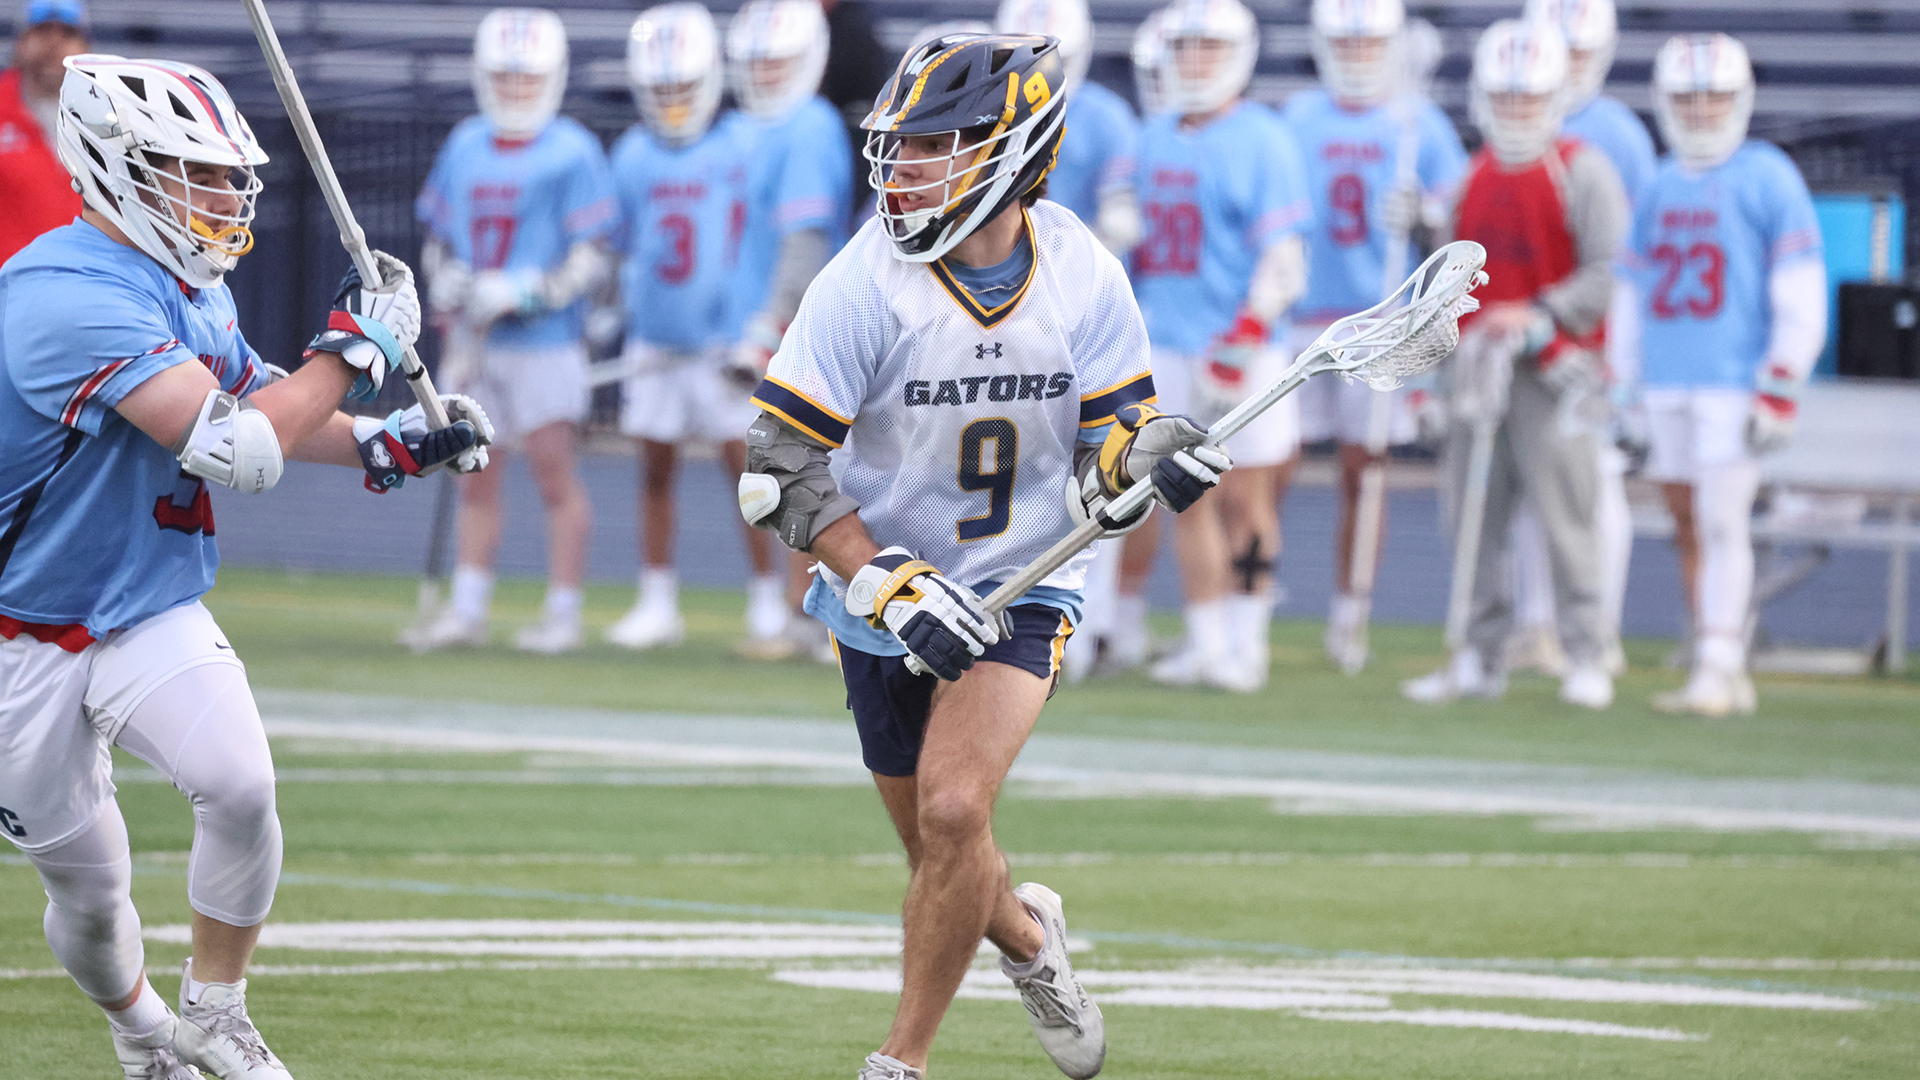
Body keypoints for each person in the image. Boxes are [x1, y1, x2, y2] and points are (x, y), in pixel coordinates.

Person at [736, 33, 1228, 1079]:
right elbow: (779, 466)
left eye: (936, 146)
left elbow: (1115, 442)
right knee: (940, 851)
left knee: (957, 809)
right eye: (901, 145)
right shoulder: (862, 281)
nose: (907, 168)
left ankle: (899, 1062)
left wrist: (1152, 460)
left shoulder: (1082, 271)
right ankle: (1029, 936)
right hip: (882, 589)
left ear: (1017, 153)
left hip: (1024, 578)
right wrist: (885, 580)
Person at [1, 55, 488, 1080]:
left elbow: (256, 395)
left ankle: (216, 1011)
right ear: (117, 167)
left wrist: (384, 442)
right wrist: (354, 351)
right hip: (20, 631)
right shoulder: (59, 294)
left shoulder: (188, 284)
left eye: (232, 175)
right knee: (90, 895)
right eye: (201, 173)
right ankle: (142, 1034)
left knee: (240, 784)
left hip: (143, 602)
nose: (227, 196)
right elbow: (237, 446)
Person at [1401, 18, 1627, 710]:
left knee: (1568, 516)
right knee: (1474, 517)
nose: (1516, 110)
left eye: (1527, 97)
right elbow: (1447, 288)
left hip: (1554, 369)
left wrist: (1539, 315)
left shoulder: (1581, 170)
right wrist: (1432, 375)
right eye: (1505, 97)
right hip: (1479, 369)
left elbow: (1609, 273)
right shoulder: (1472, 177)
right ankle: (1478, 653)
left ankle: (1588, 652)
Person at [1620, 34, 1825, 716]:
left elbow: (1799, 287)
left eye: (1714, 96)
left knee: (1721, 520)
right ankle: (1719, 657)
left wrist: (1782, 377)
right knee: (1685, 522)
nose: (1702, 109)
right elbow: (1631, 291)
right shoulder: (1657, 181)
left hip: (1734, 379)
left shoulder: (1768, 175)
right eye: (1688, 97)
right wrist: (1623, 380)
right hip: (1667, 375)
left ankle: (1717, 661)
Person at [411, 7, 617, 655]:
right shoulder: (466, 143)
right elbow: (441, 239)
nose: (516, 89)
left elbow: (593, 253)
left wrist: (533, 290)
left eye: (528, 78)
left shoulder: (572, 149)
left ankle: (563, 611)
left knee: (554, 474)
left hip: (544, 340)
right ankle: (468, 607)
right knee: (473, 474)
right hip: (476, 337)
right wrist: (445, 279)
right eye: (505, 77)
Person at [1121, 0, 1311, 692]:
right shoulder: (1152, 136)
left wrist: (1247, 333)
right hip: (1167, 339)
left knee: (1247, 496)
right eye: (1186, 49)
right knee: (1183, 497)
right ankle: (1206, 640)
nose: (1196, 62)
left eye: (1209, 49)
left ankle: (1247, 640)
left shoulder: (1263, 138)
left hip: (1240, 346)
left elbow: (1284, 257)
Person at [1286, 0, 1469, 672]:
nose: (1358, 55)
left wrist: (1424, 218)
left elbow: (1458, 235)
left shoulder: (1422, 125)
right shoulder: (1298, 117)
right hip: (1301, 311)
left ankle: (1351, 611)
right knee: (1267, 464)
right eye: (1346, 44)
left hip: (1382, 315)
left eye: (1368, 44)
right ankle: (1253, 587)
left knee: (1365, 469)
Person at [604, 3, 788, 652]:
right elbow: (621, 244)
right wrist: (615, 303)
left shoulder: (740, 146)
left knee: (749, 473)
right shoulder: (633, 153)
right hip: (657, 338)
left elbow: (765, 240)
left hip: (723, 341)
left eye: (684, 86)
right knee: (654, 470)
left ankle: (767, 600)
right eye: (663, 89)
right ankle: (657, 600)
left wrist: (756, 322)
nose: (675, 101)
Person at [1503, 0, 1658, 679]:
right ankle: (1537, 623)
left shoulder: (1614, 134)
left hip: (1589, 335)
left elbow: (1630, 254)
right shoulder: (1513, 121)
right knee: (1530, 486)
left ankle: (1600, 630)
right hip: (1528, 332)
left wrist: (1621, 351)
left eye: (1580, 53)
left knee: (1597, 483)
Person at [995, 0, 1145, 681]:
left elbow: (1122, 216)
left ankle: (1086, 622)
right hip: (1000, 313)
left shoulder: (1105, 118)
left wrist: (1072, 270)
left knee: (1098, 473)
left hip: (1080, 316)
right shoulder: (988, 113)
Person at [722, 0, 855, 662]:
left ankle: (834, 615)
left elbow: (805, 241)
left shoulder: (810, 126)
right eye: (760, 62)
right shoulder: (739, 129)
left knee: (812, 473)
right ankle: (796, 611)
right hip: (750, 326)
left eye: (779, 61)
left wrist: (771, 319)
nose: (767, 74)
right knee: (771, 476)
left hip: (800, 331)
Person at [0, 0, 87, 263]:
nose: (54, 43)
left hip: (84, 279)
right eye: (42, 31)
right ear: (20, 42)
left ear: (85, 47)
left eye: (67, 34)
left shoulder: (111, 117)